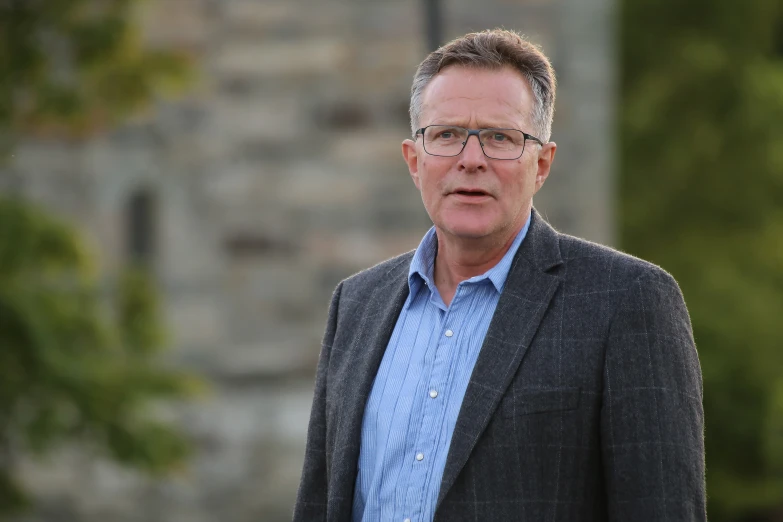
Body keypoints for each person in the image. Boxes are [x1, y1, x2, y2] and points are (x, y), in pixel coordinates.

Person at [294, 29, 706, 522]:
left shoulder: (628, 301)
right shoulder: (356, 305)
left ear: (542, 165)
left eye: (500, 138)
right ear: (414, 159)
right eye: (445, 135)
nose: (471, 160)